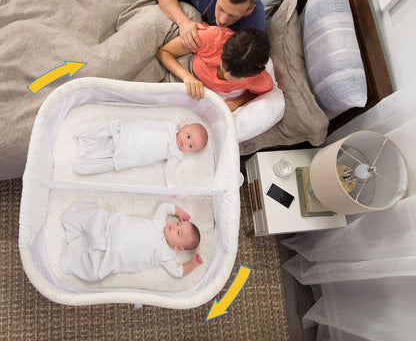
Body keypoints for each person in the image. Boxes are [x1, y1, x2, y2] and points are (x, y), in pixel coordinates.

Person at [61, 202, 203, 281]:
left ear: (178, 248)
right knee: (95, 216)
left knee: (94, 271)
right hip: (110, 229)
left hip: (112, 256)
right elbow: (164, 207)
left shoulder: (166, 256)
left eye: (178, 232)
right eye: (178, 223)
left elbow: (177, 272)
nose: (174, 226)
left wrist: (191, 264)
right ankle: (71, 222)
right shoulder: (160, 223)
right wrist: (179, 212)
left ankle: (71, 255)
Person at [156, 26, 273, 111]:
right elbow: (163, 52)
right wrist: (187, 77)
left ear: (252, 75)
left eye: (235, 77)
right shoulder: (212, 39)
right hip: (185, 65)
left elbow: (257, 93)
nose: (226, 76)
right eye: (224, 67)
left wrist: (236, 103)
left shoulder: (261, 81)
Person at [72, 120, 208, 186]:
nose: (186, 142)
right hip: (132, 134)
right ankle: (82, 134)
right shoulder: (172, 127)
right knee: (111, 131)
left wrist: (172, 187)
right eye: (188, 136)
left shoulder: (176, 154)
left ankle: (82, 165)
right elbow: (151, 125)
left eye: (191, 146)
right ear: (184, 127)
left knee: (113, 159)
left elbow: (170, 170)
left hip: (133, 154)